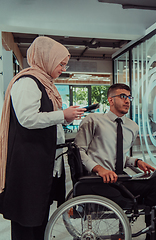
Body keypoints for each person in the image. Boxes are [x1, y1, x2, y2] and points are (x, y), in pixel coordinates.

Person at [0, 36, 85, 240]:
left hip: (42, 162)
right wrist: (62, 115)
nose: (63, 68)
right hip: (28, 164)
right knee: (27, 219)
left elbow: (45, 121)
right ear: (46, 58)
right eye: (61, 63)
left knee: (38, 216)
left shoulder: (45, 83)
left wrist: (63, 119)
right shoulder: (28, 82)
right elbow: (27, 118)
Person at [74, 83, 156, 240]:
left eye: (129, 97)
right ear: (110, 100)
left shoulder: (132, 126)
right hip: (98, 180)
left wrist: (136, 162)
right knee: (155, 186)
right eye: (123, 96)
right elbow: (79, 151)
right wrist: (99, 169)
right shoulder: (93, 120)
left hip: (119, 177)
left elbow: (120, 156)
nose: (127, 100)